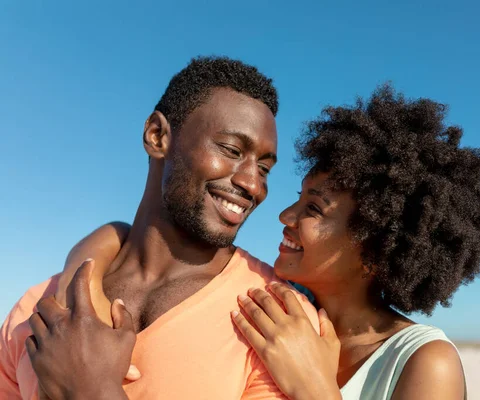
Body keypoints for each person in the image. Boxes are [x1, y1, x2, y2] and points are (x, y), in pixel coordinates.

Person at [32, 84, 480, 399]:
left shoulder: (426, 363)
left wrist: (317, 390)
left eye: (314, 209)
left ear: (376, 250)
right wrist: (97, 252)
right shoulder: (277, 314)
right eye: (298, 197)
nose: (282, 213)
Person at [0, 56, 319, 400]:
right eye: (230, 150)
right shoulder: (37, 308)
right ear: (157, 136)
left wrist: (92, 390)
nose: (253, 185)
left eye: (264, 169)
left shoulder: (276, 321)